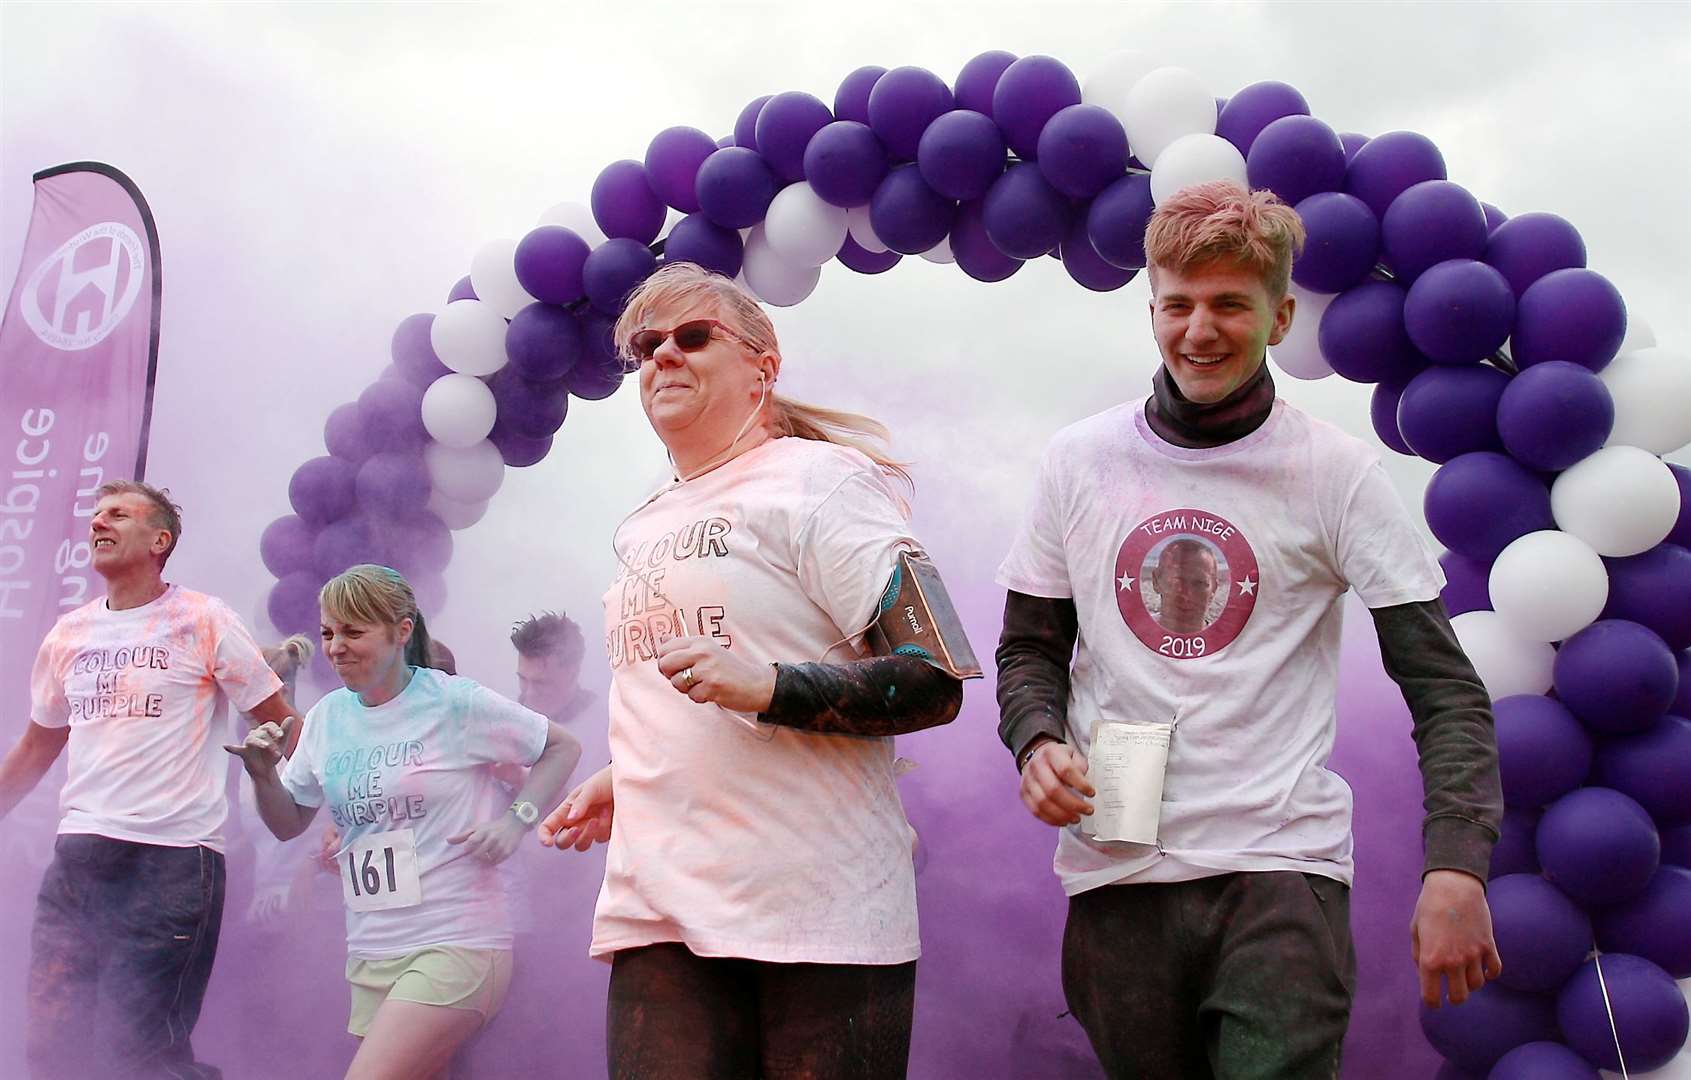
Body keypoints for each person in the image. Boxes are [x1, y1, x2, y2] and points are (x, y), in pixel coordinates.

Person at [995, 181, 1504, 1079]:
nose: (1199, 330)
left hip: (1280, 869)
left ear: (1279, 317)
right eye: (1177, 305)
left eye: (1230, 304)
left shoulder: (1335, 472)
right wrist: (1036, 743)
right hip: (1117, 870)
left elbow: (1444, 689)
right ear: (1149, 307)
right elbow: (1027, 650)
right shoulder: (1078, 461)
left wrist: (1456, 867)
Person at [538, 261, 975, 1080]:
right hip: (659, 908)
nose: (664, 354)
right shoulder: (640, 525)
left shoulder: (823, 483)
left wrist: (771, 687)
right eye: (647, 344)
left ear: (762, 366)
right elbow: (683, 690)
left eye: (693, 336)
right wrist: (623, 771)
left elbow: (935, 676)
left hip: (816, 914)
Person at [228, 564, 579, 1080]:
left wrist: (514, 823)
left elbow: (561, 747)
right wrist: (262, 776)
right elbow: (288, 824)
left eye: (353, 631)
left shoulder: (453, 701)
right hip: (372, 947)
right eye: (328, 633)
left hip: (457, 938)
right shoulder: (327, 718)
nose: (336, 647)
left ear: (402, 631)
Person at [0, 479, 299, 1080]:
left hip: (174, 861)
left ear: (160, 540)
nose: (98, 524)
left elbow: (283, 722)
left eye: (117, 515)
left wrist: (318, 805)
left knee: (137, 1055)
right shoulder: (69, 634)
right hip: (81, 857)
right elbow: (37, 745)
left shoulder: (203, 618)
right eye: (95, 515)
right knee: (51, 1049)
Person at [511, 610, 593, 727]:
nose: (529, 693)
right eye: (523, 679)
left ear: (572, 673)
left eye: (540, 683)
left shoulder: (604, 721)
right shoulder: (511, 720)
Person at [1149, 537, 1221, 633]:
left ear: (1214, 589)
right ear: (1156, 581)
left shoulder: (1230, 645)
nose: (1187, 595)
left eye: (1199, 584)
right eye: (1177, 582)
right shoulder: (1131, 636)